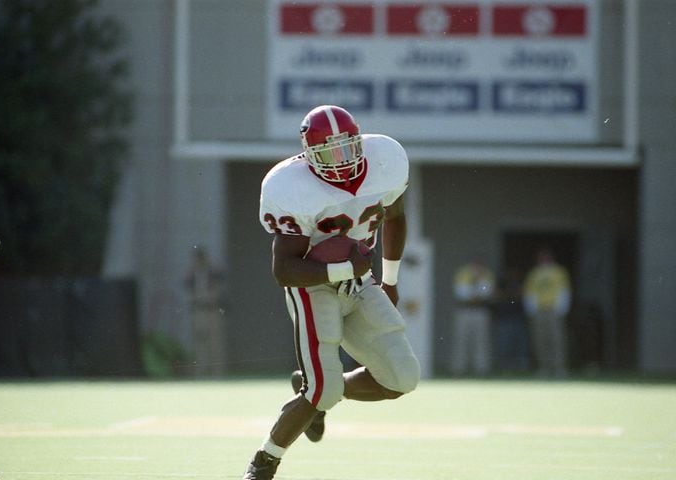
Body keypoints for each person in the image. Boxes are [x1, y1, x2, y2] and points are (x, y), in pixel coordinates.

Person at [246, 105, 420, 480]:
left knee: (401, 378)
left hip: (360, 282)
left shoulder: (385, 159)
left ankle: (323, 393)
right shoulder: (290, 186)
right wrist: (344, 269)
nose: (342, 162)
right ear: (309, 157)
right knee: (321, 389)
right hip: (313, 286)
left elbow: (396, 216)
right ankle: (264, 462)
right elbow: (284, 269)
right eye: (330, 153)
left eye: (348, 148)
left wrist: (389, 280)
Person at [522, 247, 572, 378]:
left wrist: (562, 308)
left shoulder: (559, 272)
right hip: (539, 309)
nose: (543, 259)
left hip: (554, 309)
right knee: (540, 340)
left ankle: (559, 368)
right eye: (541, 257)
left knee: (556, 339)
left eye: (546, 257)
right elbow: (529, 292)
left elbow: (564, 290)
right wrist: (531, 309)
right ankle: (544, 367)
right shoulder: (534, 273)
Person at [450, 257, 496, 376]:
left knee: (481, 340)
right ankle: (458, 369)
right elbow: (460, 292)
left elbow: (487, 292)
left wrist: (478, 284)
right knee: (461, 340)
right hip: (464, 309)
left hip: (480, 310)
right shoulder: (463, 273)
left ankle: (481, 369)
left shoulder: (486, 275)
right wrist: (473, 295)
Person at [185, 246, 226, 377]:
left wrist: (209, 297)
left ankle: (216, 372)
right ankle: (200, 371)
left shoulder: (213, 273)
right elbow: (189, 290)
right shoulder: (193, 274)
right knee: (199, 342)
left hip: (212, 310)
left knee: (215, 342)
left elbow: (218, 291)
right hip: (199, 310)